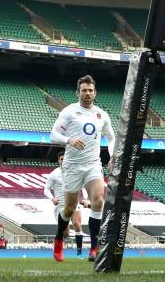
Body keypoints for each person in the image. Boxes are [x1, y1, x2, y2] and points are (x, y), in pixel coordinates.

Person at [50, 75, 115, 262]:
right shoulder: (69, 111)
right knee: (69, 209)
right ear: (77, 92)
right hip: (72, 166)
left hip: (93, 164)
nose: (87, 93)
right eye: (84, 90)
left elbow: (111, 138)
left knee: (98, 200)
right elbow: (54, 134)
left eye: (90, 90)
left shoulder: (102, 115)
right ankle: (58, 238)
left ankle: (94, 248)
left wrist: (112, 156)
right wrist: (68, 139)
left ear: (95, 93)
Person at [44, 151, 91, 258]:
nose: (63, 161)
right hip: (61, 206)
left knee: (77, 225)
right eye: (61, 159)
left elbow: (83, 186)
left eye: (65, 159)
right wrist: (52, 198)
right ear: (58, 160)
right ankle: (59, 246)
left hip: (73, 202)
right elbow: (46, 189)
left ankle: (79, 253)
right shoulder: (54, 174)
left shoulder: (75, 172)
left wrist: (85, 198)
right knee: (66, 233)